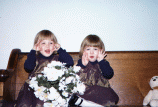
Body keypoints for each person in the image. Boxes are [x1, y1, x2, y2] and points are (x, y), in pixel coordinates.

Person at [15, 30, 74, 107]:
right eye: (43, 43)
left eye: (51, 43)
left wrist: (60, 50)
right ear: (37, 46)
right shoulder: (34, 58)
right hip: (34, 89)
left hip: (52, 89)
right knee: (30, 103)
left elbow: (70, 63)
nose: (47, 46)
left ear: (55, 45)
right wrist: (33, 51)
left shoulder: (57, 58)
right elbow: (28, 67)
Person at [68, 34, 119, 107]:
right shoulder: (80, 62)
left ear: (100, 51)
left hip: (100, 91)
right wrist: (82, 66)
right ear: (83, 51)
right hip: (86, 91)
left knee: (107, 95)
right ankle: (83, 103)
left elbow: (109, 74)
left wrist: (101, 61)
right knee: (77, 94)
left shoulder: (103, 63)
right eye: (88, 49)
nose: (91, 52)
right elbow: (74, 78)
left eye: (95, 49)